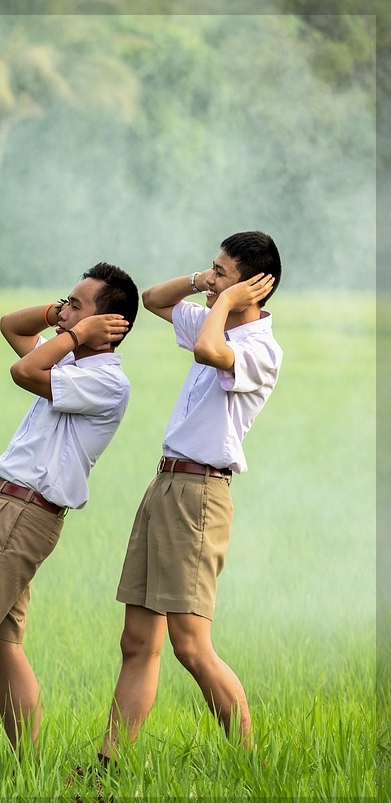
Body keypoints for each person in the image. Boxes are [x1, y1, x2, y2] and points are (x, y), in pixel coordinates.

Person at [0, 263, 138, 759]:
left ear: (108, 324)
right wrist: (63, 316)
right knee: (1, 643)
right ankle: (28, 771)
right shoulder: (71, 363)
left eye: (77, 304)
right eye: (65, 302)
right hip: (9, 508)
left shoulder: (104, 381)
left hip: (19, 513)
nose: (63, 313)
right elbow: (11, 326)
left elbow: (23, 371)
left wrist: (74, 333)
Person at [97, 231, 281, 763]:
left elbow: (208, 349)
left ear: (251, 288)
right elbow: (154, 300)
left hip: (201, 493)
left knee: (191, 646)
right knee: (137, 641)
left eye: (222, 271)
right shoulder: (213, 317)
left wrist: (224, 301)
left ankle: (249, 763)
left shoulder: (260, 349)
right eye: (212, 269)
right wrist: (207, 284)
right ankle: (107, 768)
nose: (210, 279)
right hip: (166, 484)